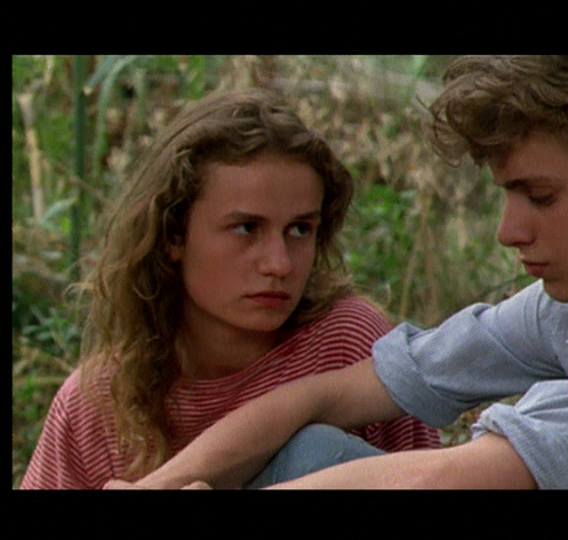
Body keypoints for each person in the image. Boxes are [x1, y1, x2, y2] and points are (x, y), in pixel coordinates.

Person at [105, 55, 568, 490]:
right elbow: (319, 396)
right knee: (311, 448)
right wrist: (159, 485)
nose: (509, 231)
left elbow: (453, 476)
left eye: (541, 197)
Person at [20, 89, 441, 490]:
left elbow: (429, 476)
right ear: (173, 235)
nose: (279, 263)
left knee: (314, 452)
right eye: (246, 228)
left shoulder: (349, 343)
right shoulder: (100, 400)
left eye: (299, 230)